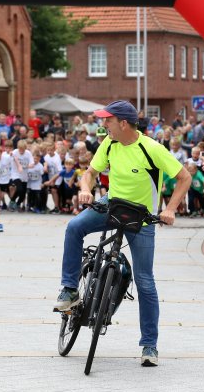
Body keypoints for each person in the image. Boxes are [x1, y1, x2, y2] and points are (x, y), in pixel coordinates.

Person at [53, 100, 191, 368]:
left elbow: (184, 177)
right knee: (74, 227)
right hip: (112, 205)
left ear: (123, 123)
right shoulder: (109, 143)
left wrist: (170, 209)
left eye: (108, 120)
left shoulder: (152, 148)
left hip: (142, 217)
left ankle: (149, 345)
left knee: (145, 281)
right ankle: (69, 290)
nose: (103, 124)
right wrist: (86, 189)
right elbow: (90, 173)